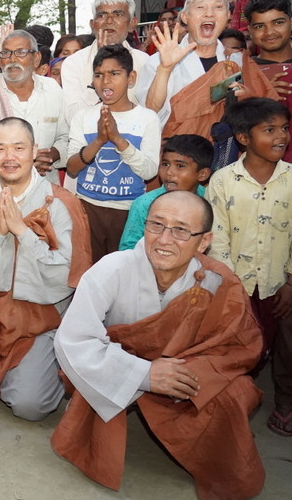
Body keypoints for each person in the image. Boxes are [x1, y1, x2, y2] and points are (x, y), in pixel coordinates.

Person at [52, 191, 265, 500]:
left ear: (204, 241)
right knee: (85, 375)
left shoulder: (217, 281)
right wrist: (145, 374)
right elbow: (74, 339)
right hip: (121, 368)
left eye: (180, 230)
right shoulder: (112, 269)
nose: (164, 239)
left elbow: (239, 345)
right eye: (156, 225)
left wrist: (186, 372)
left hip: (182, 371)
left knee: (237, 391)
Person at [0, 117, 91, 435]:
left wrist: (21, 231)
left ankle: (45, 364)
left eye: (19, 147)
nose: (9, 156)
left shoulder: (61, 204)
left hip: (38, 319)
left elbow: (64, 278)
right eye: (0, 148)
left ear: (34, 151)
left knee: (28, 405)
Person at [206, 98, 292, 439]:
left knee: (287, 347)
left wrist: (289, 281)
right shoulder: (223, 181)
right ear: (243, 138)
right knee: (235, 347)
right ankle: (232, 404)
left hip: (280, 284)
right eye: (269, 130)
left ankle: (284, 403)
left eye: (284, 128)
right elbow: (218, 238)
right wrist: (232, 287)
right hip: (235, 286)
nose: (280, 136)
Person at [137, 0, 278, 140]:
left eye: (218, 7)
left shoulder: (237, 60)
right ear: (185, 17)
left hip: (227, 155)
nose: (209, 13)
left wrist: (248, 99)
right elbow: (150, 112)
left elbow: (267, 117)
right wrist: (165, 69)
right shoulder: (158, 61)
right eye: (200, 7)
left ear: (228, 16)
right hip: (178, 155)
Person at [66, 45, 161, 262]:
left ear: (131, 78)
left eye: (114, 74)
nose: (105, 81)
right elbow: (71, 168)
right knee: (89, 270)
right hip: (89, 208)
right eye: (99, 75)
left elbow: (149, 171)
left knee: (123, 273)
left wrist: (118, 139)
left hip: (128, 211)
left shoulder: (147, 119)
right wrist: (99, 140)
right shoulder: (83, 117)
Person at [0, 30, 69, 184]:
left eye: (21, 52)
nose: (12, 59)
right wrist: (20, 164)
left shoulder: (52, 90)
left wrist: (52, 154)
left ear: (36, 58)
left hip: (45, 186)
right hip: (0, 190)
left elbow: (66, 137)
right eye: (6, 53)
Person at [60, 0, 147, 122]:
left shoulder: (145, 61)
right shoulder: (73, 63)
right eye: (102, 15)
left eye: (118, 14)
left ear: (132, 24)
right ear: (92, 24)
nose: (109, 21)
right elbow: (73, 119)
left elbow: (151, 113)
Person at [118, 134, 212, 251]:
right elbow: (128, 248)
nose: (169, 172)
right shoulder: (144, 204)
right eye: (165, 164)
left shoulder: (210, 199)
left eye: (180, 166)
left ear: (202, 174)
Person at [247, 0, 292, 161]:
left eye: (278, 23)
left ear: (291, 23)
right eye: (259, 26)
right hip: (262, 174)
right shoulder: (243, 71)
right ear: (250, 30)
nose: (269, 32)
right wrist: (261, 96)